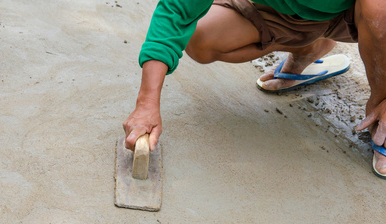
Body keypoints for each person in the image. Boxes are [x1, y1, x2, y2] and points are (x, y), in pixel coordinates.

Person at [122, 0, 386, 178]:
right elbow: (177, 10)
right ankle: (307, 46)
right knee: (201, 38)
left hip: (358, 14)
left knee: (378, 11)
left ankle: (382, 107)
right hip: (284, 9)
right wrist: (147, 102)